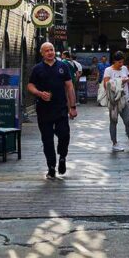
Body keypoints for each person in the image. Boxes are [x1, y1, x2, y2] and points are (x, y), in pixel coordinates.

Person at [27, 42, 77, 179]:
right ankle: (51, 167)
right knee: (47, 140)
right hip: (43, 110)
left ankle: (62, 157)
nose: (50, 52)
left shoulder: (63, 66)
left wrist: (72, 107)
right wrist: (39, 93)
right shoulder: (37, 69)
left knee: (64, 135)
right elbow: (30, 85)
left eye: (52, 50)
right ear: (42, 53)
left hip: (61, 108)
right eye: (47, 51)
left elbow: (69, 87)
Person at [101, 51, 129, 152]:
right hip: (114, 101)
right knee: (113, 122)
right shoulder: (108, 70)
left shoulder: (124, 68)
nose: (121, 64)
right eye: (119, 62)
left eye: (122, 62)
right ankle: (114, 143)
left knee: (128, 121)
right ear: (114, 61)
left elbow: (128, 77)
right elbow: (106, 84)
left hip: (125, 99)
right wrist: (121, 81)